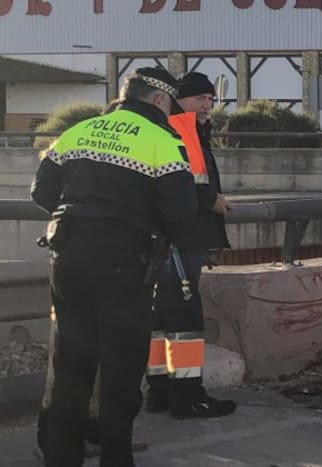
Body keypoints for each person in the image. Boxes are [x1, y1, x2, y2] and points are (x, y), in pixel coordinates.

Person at [31, 67, 199, 467]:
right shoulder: (161, 142)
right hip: (126, 265)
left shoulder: (79, 131)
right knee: (121, 370)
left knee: (71, 364)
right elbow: (181, 214)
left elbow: (42, 191)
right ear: (159, 100)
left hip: (69, 260)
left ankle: (61, 457)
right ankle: (116, 457)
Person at [145, 71, 237, 419]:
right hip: (182, 239)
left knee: (159, 317)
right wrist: (210, 199)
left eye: (211, 100)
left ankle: (160, 391)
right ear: (178, 98)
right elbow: (184, 183)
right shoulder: (181, 127)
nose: (208, 106)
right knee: (184, 318)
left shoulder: (182, 126)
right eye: (201, 98)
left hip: (164, 238)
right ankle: (187, 396)